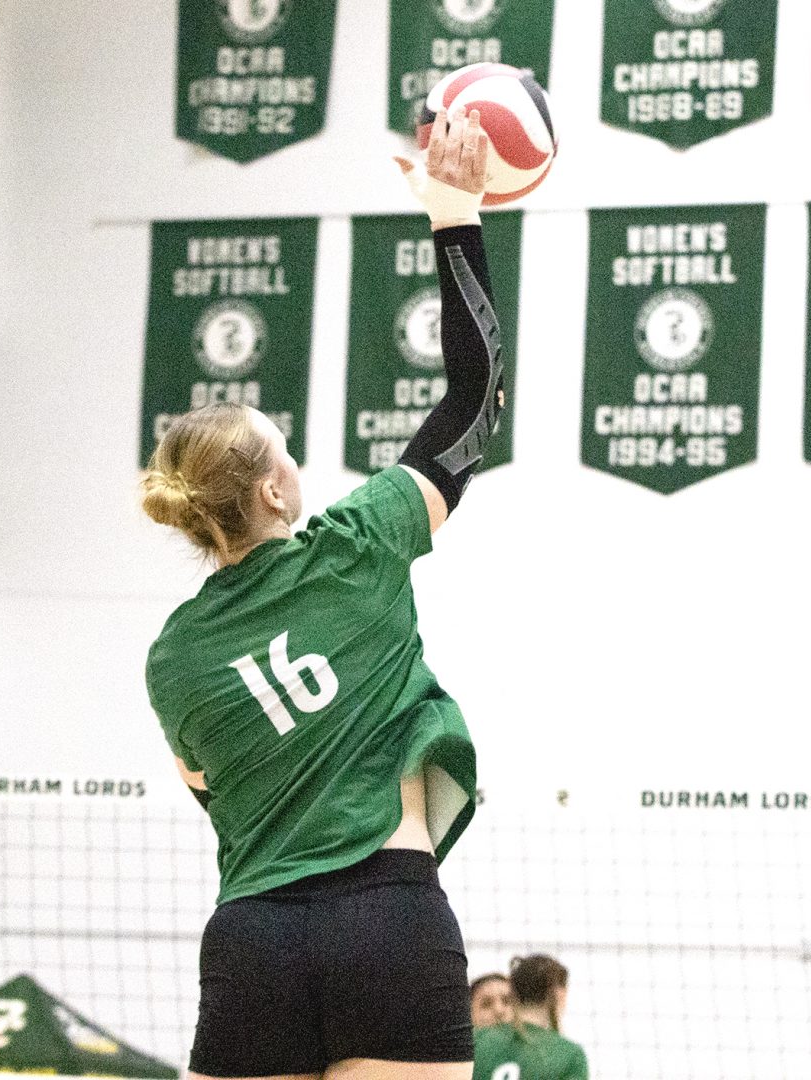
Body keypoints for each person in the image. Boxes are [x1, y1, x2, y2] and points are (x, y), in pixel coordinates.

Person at [142, 106, 504, 1080]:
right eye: (285, 447)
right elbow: (473, 400)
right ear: (272, 488)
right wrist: (455, 210)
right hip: (388, 920)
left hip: (255, 938)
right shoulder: (359, 544)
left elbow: (209, 786)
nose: (297, 459)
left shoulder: (172, 656)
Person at [472, 956, 589, 1080]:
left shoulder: (473, 1042)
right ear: (559, 994)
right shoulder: (569, 1054)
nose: (499, 1011)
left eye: (506, 1001)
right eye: (486, 1004)